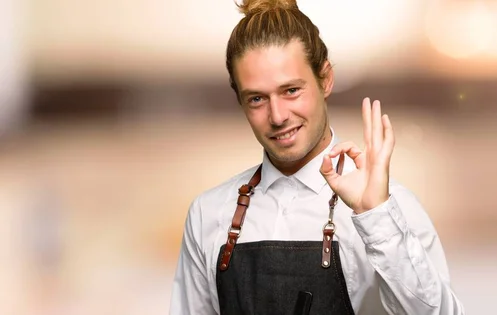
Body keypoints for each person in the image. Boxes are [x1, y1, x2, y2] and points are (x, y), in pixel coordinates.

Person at [169, 0, 465, 314]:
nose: (278, 115)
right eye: (257, 98)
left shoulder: (391, 208)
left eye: (291, 91)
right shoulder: (208, 213)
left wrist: (376, 217)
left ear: (325, 79)